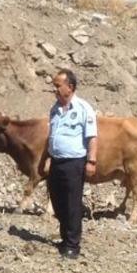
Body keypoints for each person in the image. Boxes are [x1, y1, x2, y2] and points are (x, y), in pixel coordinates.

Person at [46, 68, 98, 259]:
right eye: (54, 85)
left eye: (58, 85)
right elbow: (52, 136)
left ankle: (72, 245)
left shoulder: (84, 108)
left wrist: (91, 161)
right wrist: (48, 158)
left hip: (74, 162)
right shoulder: (55, 109)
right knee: (57, 201)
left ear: (70, 87)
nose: (55, 89)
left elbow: (92, 137)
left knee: (72, 203)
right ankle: (64, 237)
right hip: (56, 161)